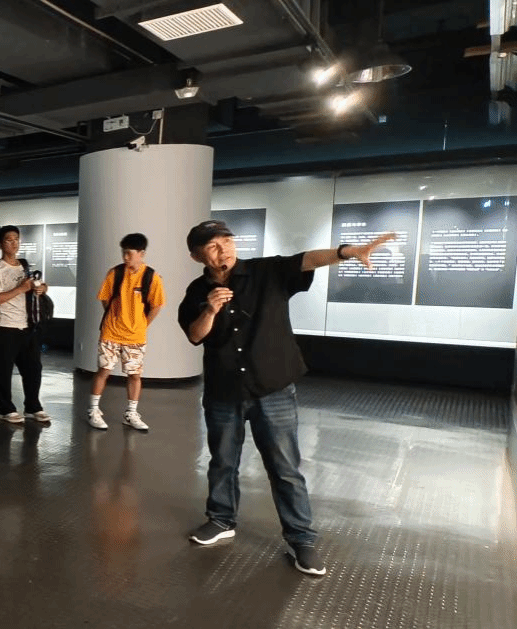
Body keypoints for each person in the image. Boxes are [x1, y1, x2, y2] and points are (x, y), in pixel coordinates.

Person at [177, 219, 395, 577]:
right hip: (224, 392)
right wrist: (210, 310)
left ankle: (301, 538)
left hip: (272, 389)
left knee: (285, 468)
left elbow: (307, 260)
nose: (223, 249)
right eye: (212, 246)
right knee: (222, 462)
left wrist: (347, 252)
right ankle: (221, 519)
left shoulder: (266, 272)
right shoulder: (196, 291)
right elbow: (195, 335)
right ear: (196, 255)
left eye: (227, 241)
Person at [88, 233, 165, 432]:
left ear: (142, 254)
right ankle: (94, 410)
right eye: (123, 253)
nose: (125, 257)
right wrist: (114, 317)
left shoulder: (152, 277)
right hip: (111, 333)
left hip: (135, 337)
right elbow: (105, 298)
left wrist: (142, 324)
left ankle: (131, 413)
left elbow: (157, 305)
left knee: (134, 375)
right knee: (103, 371)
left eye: (129, 253)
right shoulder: (115, 273)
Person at [0, 226, 47, 424]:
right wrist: (20, 289)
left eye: (16, 239)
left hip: (27, 325)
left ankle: (33, 406)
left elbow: (39, 285)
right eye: (9, 240)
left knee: (33, 368)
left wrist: (42, 289)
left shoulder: (24, 265)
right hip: (4, 326)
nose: (14, 243)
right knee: (3, 371)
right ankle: (5, 409)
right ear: (0, 244)